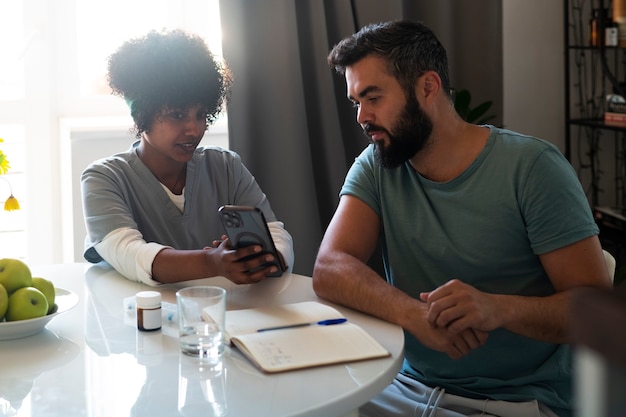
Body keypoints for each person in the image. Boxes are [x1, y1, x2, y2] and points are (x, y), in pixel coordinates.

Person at [313, 20, 612, 417]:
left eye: (373, 97)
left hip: (517, 401)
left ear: (428, 87)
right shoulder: (377, 165)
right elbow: (330, 267)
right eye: (356, 102)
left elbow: (595, 312)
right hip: (406, 387)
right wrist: (415, 316)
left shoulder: (533, 169)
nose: (361, 117)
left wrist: (499, 309)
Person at [81, 29, 294, 286]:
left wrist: (266, 258)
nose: (194, 129)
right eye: (178, 115)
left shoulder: (226, 166)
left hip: (223, 318)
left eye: (201, 114)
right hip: (141, 319)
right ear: (142, 116)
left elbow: (274, 233)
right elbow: (129, 253)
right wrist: (213, 262)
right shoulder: (103, 179)